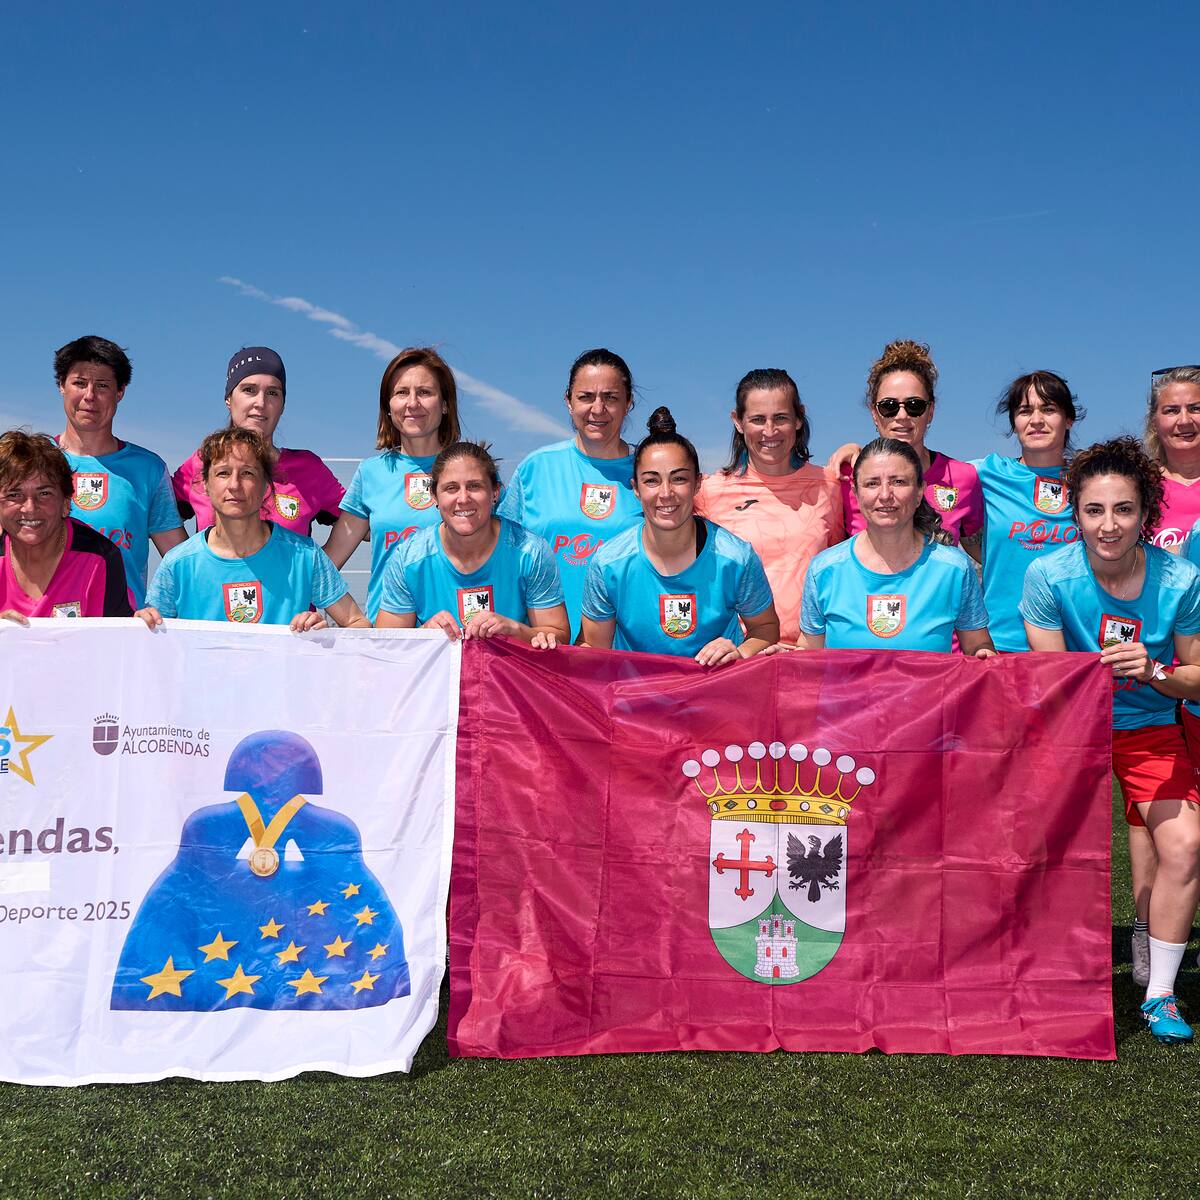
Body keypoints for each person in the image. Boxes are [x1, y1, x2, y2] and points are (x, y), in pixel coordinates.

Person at [1021, 437, 1200, 1044]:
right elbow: (1052, 683)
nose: (1108, 524)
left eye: (1123, 509)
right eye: (1094, 510)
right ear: (1075, 512)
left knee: (1185, 846)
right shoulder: (1048, 575)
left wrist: (1153, 670)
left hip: (1150, 729)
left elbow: (1196, 675)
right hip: (1072, 734)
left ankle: (1159, 994)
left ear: (1146, 511)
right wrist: (1088, 674)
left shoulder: (1181, 577)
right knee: (1038, 848)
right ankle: (1036, 971)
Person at [579, 408, 779, 663]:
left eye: (679, 479)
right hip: (634, 688)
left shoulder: (737, 558)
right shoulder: (608, 564)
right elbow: (595, 652)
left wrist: (740, 653)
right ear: (636, 489)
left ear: (697, 484)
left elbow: (766, 628)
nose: (666, 493)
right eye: (651, 481)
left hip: (714, 688)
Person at [137, 428, 368, 632]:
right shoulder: (177, 563)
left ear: (266, 485)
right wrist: (142, 625)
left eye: (247, 473)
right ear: (205, 484)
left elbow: (358, 624)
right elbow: (150, 638)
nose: (234, 485)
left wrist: (323, 634)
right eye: (223, 473)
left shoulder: (306, 555)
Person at [801, 438, 994, 656]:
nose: (885, 495)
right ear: (855, 493)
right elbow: (808, 651)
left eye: (899, 482)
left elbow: (978, 645)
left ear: (919, 492)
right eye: (872, 483)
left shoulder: (955, 568)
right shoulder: (823, 570)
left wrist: (984, 654)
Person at [695, 368, 843, 647]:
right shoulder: (707, 492)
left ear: (799, 417)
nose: (770, 431)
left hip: (807, 654)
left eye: (781, 418)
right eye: (758, 419)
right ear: (738, 421)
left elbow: (840, 571)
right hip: (738, 655)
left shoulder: (830, 485)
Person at [498, 348, 641, 637]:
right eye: (586, 397)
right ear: (568, 401)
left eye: (610, 397)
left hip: (627, 650)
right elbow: (502, 557)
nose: (597, 409)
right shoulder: (535, 468)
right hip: (546, 645)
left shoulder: (650, 473)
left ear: (628, 403)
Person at [375, 442, 569, 645]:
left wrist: (514, 630)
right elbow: (385, 645)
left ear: (495, 493)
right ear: (434, 496)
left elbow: (558, 636)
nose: (463, 498)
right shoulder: (408, 559)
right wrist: (424, 634)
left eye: (474, 486)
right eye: (451, 488)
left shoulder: (531, 552)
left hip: (510, 666)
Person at [323, 347, 460, 622]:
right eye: (401, 393)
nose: (412, 403)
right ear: (388, 406)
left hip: (456, 636)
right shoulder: (371, 473)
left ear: (445, 404)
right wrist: (353, 620)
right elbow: (325, 564)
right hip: (388, 637)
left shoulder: (469, 471)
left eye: (425, 392)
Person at [54, 335, 186, 605]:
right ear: (62, 386)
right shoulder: (30, 462)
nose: (90, 396)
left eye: (102, 385)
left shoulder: (148, 468)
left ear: (120, 392)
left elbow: (183, 563)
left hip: (122, 623)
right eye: (79, 383)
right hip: (43, 622)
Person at [829, 340, 984, 551]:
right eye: (889, 406)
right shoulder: (845, 476)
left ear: (930, 411)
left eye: (914, 405)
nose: (902, 416)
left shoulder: (963, 476)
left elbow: (985, 552)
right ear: (874, 413)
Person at [173, 347, 345, 536]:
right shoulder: (203, 461)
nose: (261, 403)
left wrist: (323, 557)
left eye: (272, 393)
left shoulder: (308, 468)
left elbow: (361, 521)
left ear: (282, 405)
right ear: (229, 399)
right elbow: (154, 513)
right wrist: (186, 555)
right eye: (249, 390)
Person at [973, 371, 1082, 651]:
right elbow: (922, 470)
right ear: (1014, 422)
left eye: (1048, 409)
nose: (1036, 420)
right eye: (1024, 411)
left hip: (1074, 647)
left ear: (1069, 419)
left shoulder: (1090, 480)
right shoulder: (987, 473)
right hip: (1000, 644)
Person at [0, 430, 132, 622]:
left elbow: (115, 636)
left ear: (66, 504)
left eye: (44, 494)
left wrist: (138, 626)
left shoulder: (101, 557)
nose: (30, 508)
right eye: (14, 495)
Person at [1143, 365, 1200, 550]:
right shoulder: (1138, 485)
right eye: (1171, 411)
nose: (1184, 421)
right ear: (1154, 423)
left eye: (1195, 408)